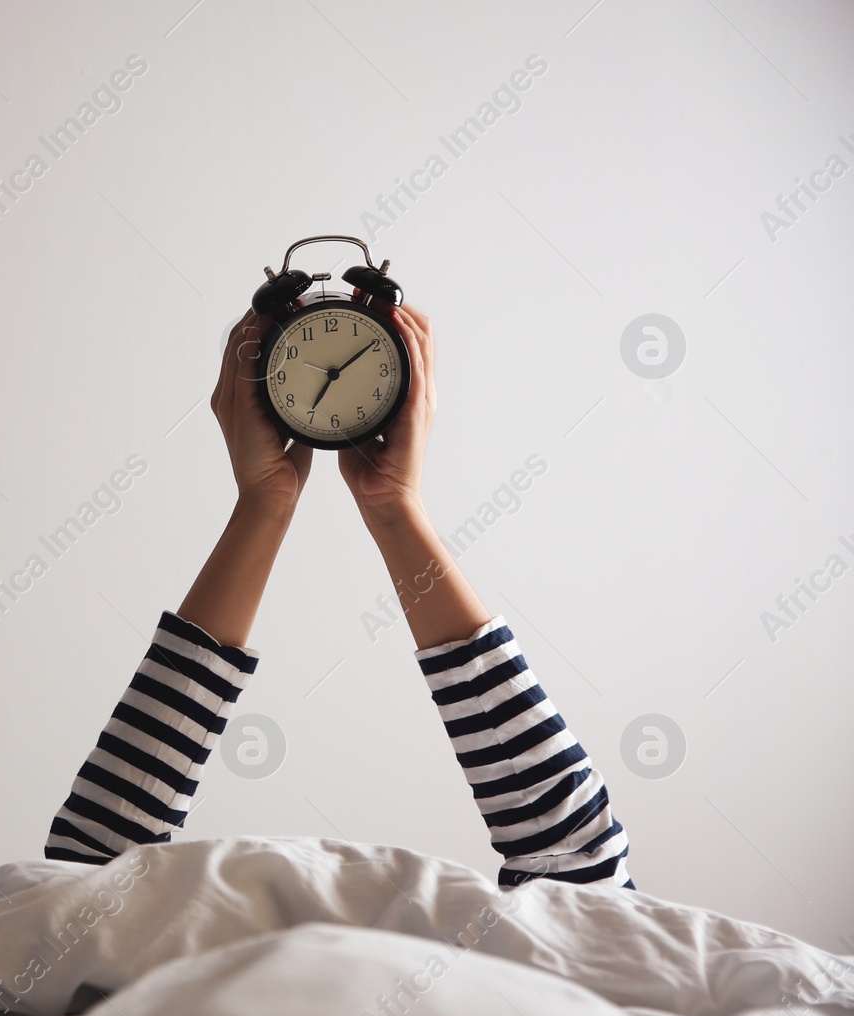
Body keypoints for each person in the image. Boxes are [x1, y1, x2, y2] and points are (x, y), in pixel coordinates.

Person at [45, 298, 632, 891]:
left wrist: (267, 506)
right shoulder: (548, 968)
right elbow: (576, 864)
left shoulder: (76, 971)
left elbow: (87, 866)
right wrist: (390, 507)